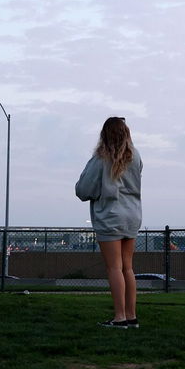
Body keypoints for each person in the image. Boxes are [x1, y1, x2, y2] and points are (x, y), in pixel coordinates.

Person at [75, 116, 143, 328]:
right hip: (132, 215)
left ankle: (119, 317)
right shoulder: (136, 156)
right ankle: (131, 316)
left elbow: (83, 190)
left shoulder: (101, 158)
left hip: (110, 216)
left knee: (114, 267)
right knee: (128, 268)